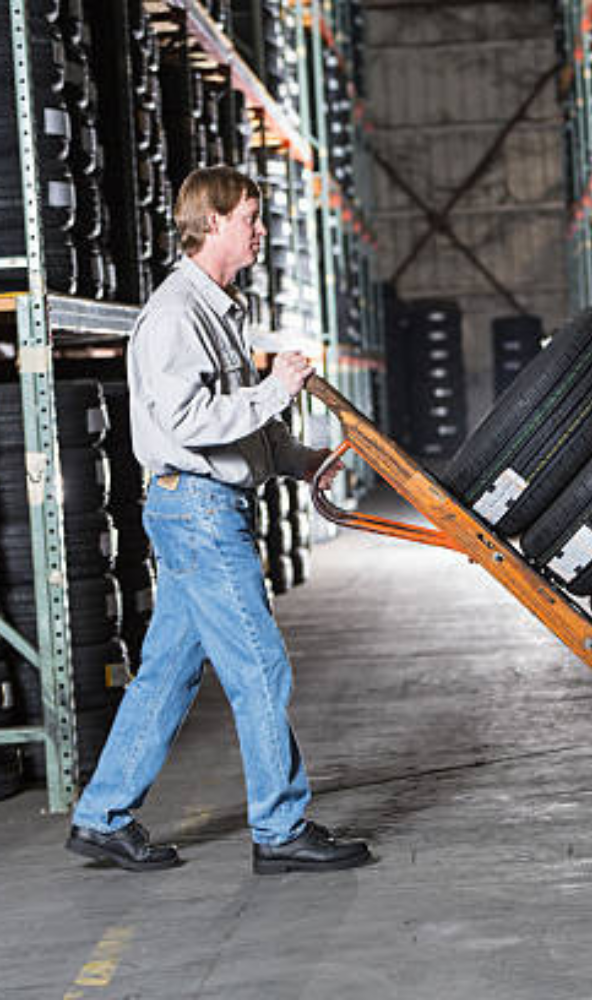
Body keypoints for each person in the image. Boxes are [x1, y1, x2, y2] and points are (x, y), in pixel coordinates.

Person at [66, 165, 371, 875]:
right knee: (259, 665)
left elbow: (238, 424)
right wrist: (274, 391)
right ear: (211, 224)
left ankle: (101, 815)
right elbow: (188, 420)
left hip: (203, 504)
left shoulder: (219, 308)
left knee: (168, 672)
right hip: (198, 508)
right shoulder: (177, 314)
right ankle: (281, 828)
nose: (260, 230)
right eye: (250, 218)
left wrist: (297, 457)